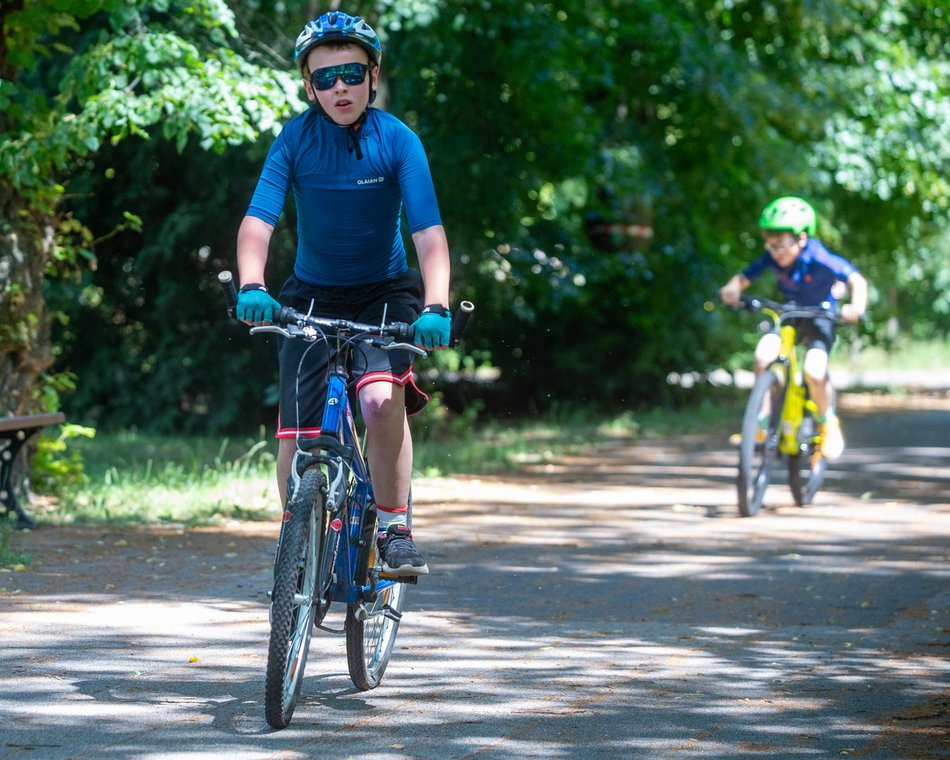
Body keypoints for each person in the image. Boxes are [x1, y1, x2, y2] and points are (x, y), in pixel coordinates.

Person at [234, 11, 452, 576]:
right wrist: (253, 283)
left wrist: (436, 304)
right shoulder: (295, 139)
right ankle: (297, 555)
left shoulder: (398, 140)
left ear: (372, 75)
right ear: (309, 86)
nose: (340, 89)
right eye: (325, 79)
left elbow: (428, 233)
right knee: (298, 439)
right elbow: (259, 221)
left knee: (381, 401)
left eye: (351, 74)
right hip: (310, 295)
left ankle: (393, 526)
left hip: (386, 293)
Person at [719, 196, 868, 460]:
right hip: (789, 313)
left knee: (814, 370)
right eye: (770, 243)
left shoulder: (817, 255)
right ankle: (761, 425)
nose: (775, 251)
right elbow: (743, 278)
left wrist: (856, 307)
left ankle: (827, 424)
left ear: (801, 238)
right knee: (762, 355)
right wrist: (732, 289)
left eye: (781, 244)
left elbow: (856, 279)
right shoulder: (772, 258)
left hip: (821, 316)